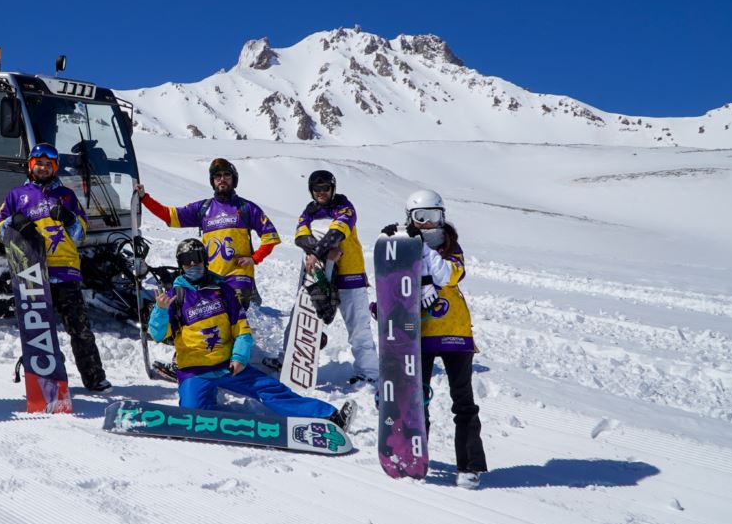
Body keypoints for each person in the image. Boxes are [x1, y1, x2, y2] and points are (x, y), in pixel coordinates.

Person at [147, 239, 354, 427]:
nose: (192, 265)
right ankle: (205, 397)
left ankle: (329, 416)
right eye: (186, 261)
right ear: (180, 264)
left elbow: (242, 329)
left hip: (227, 365)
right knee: (191, 416)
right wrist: (160, 311)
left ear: (205, 260)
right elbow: (157, 334)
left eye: (196, 259)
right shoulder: (175, 296)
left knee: (270, 388)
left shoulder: (222, 289)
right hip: (195, 370)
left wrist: (239, 357)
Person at [134, 158, 281, 378]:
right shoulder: (204, 209)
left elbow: (270, 236)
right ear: (212, 181)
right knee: (199, 317)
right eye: (217, 176)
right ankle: (192, 363)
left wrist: (255, 258)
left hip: (238, 277)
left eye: (226, 175)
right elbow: (169, 215)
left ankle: (231, 364)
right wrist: (145, 198)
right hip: (209, 277)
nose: (222, 180)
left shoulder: (246, 208)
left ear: (234, 179)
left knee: (231, 316)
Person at [382, 189, 488, 489]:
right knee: (415, 401)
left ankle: (469, 466)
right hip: (420, 335)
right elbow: (393, 285)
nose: (429, 225)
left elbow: (446, 276)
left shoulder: (451, 248)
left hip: (455, 332)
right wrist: (395, 245)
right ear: (411, 219)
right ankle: (414, 454)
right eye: (421, 218)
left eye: (434, 217)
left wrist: (419, 248)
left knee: (463, 401)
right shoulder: (407, 247)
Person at [0, 143, 111, 392]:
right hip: (32, 271)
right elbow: (0, 228)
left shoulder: (67, 196)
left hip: (65, 271)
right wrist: (13, 222)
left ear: (55, 168)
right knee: (38, 329)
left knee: (80, 328)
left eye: (49, 164)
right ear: (31, 165)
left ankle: (94, 378)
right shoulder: (17, 196)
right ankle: (45, 380)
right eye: (39, 163)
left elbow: (81, 233)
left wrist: (70, 219)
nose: (44, 168)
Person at [290, 170, 378, 385]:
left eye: (325, 188)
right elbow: (300, 237)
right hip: (321, 273)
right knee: (304, 318)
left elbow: (336, 235)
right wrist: (320, 253)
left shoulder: (344, 207)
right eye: (316, 189)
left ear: (333, 188)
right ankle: (291, 361)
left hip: (350, 275)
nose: (321, 193)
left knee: (358, 328)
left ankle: (369, 373)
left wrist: (320, 251)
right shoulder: (309, 210)